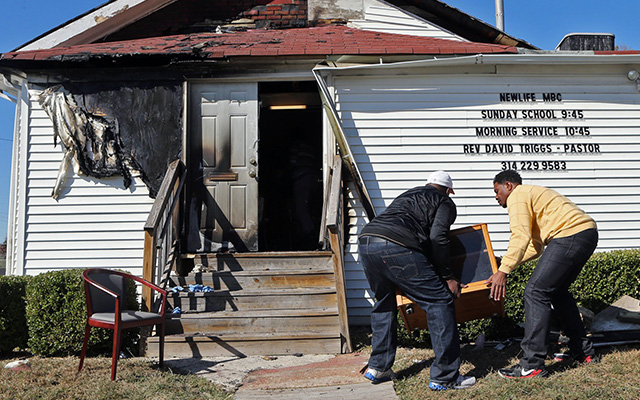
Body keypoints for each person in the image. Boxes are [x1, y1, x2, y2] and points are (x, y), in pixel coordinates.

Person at [358, 170, 476, 391]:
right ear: (449, 191)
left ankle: (379, 367)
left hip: (366, 242)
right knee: (440, 301)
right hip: (397, 245)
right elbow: (437, 237)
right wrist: (448, 276)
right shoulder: (444, 201)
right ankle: (445, 377)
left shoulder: (407, 195)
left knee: (384, 302)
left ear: (428, 184)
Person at [487, 170, 598, 379]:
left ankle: (532, 364)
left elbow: (520, 235)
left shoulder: (517, 195)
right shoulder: (532, 195)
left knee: (535, 292)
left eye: (497, 191)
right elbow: (534, 247)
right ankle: (583, 352)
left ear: (508, 186)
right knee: (558, 293)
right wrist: (506, 262)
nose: (496, 197)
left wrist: (504, 271)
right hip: (586, 233)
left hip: (569, 234)